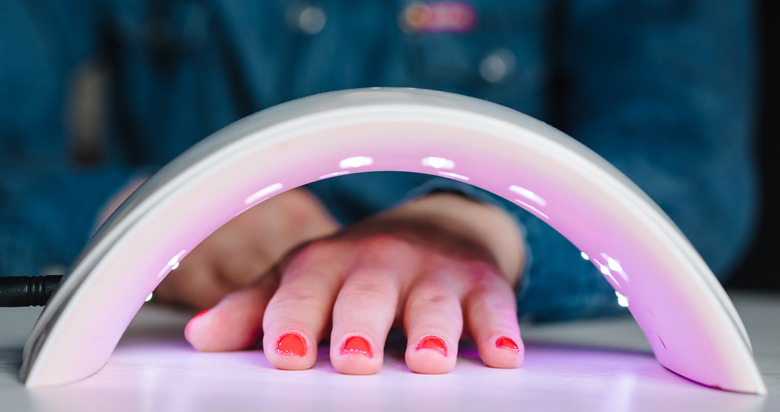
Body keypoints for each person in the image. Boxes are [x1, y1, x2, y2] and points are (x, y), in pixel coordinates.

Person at [0, 0, 758, 374]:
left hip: (505, 353)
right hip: (192, 349)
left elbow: (690, 147)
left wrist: (475, 230)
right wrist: (134, 219)